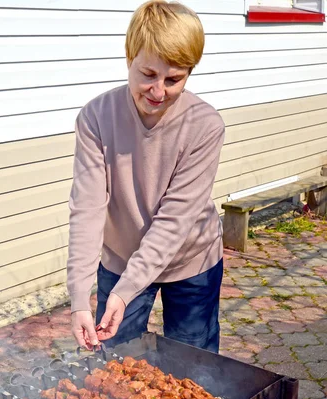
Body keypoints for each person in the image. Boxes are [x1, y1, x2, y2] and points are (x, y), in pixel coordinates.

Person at [67, 0, 225, 353]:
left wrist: (125, 292)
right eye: (148, 75)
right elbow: (87, 209)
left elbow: (174, 221)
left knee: (192, 369)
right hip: (120, 260)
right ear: (129, 58)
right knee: (116, 368)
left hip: (191, 262)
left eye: (174, 79)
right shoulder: (96, 118)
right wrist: (79, 298)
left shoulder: (204, 125)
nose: (158, 92)